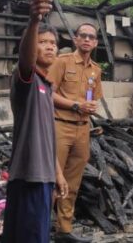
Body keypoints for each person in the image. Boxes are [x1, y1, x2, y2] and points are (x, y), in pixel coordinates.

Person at [2, 0, 68, 243]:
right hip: (29, 177)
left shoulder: (47, 87)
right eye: (43, 42)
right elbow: (25, 61)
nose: (50, 46)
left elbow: (47, 139)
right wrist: (33, 22)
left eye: (53, 42)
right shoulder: (26, 81)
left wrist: (58, 175)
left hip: (43, 178)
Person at [47, 23, 103, 243]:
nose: (87, 40)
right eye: (83, 36)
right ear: (76, 39)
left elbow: (94, 97)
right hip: (61, 125)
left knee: (72, 182)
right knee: (52, 180)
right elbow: (47, 94)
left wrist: (89, 106)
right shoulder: (62, 62)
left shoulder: (96, 70)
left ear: (96, 42)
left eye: (91, 37)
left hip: (83, 130)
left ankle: (64, 229)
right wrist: (75, 106)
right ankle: (40, 229)